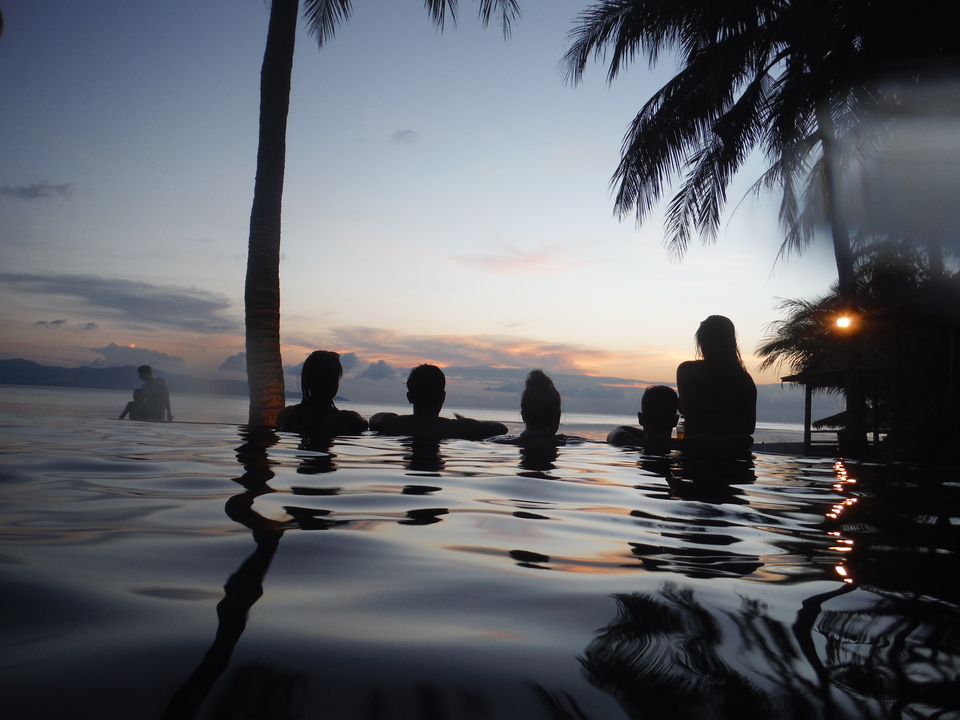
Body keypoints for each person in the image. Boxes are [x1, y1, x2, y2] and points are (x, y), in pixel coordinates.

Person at [369, 364, 507, 440]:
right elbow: (501, 428)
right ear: (443, 398)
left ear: (409, 397)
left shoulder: (392, 423)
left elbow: (374, 419)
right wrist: (466, 422)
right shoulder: (458, 428)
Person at [676, 315, 756, 437]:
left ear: (701, 342)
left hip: (698, 451)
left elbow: (693, 421)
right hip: (734, 453)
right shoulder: (745, 380)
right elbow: (749, 428)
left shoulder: (688, 371)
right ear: (731, 343)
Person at [275, 351, 367, 436]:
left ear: (306, 381)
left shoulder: (285, 415)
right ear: (333, 384)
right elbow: (373, 421)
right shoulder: (349, 420)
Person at [607, 385, 679, 454]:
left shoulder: (626, 441)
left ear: (640, 419)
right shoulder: (686, 446)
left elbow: (617, 431)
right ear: (675, 421)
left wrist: (651, 437)